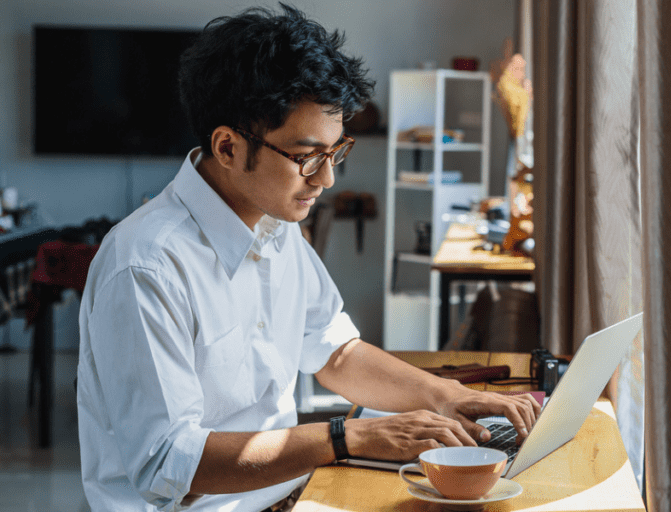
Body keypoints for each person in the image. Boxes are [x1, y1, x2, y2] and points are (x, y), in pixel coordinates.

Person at [76, 4, 541, 511]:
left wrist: (445, 395)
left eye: (334, 152)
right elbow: (170, 463)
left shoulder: (273, 224)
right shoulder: (145, 266)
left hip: (293, 492)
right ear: (228, 147)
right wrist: (348, 438)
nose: (326, 179)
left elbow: (334, 352)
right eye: (306, 158)